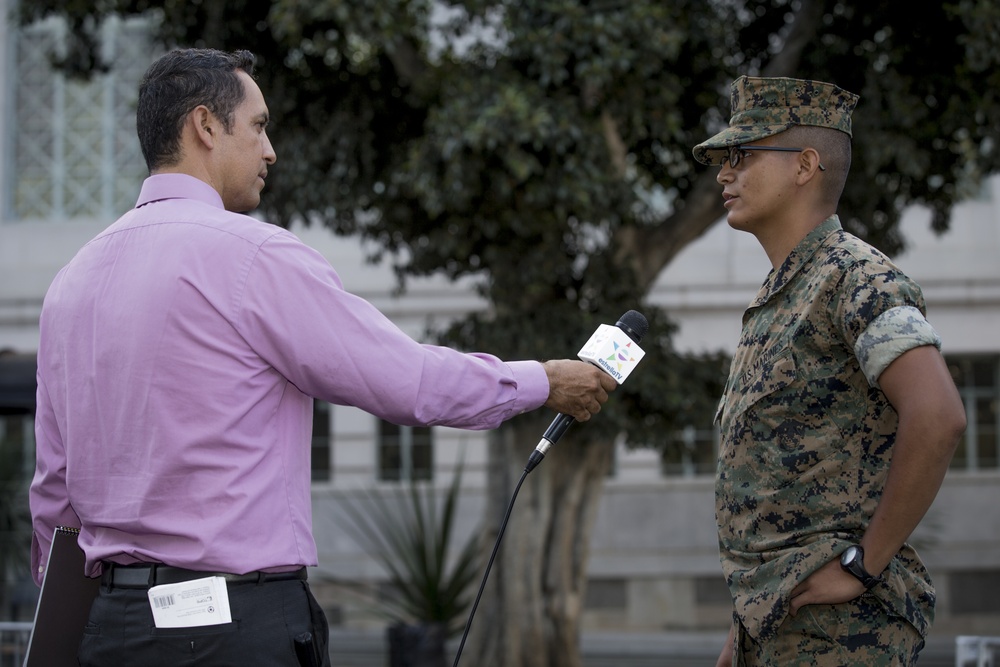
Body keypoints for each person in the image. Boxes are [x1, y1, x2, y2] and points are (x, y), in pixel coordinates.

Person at [29, 48, 618, 667]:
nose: (270, 150)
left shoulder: (70, 282)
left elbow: (52, 495)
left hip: (109, 630)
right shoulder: (253, 257)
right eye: (257, 126)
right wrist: (541, 381)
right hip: (234, 630)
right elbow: (406, 381)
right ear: (205, 126)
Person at [691, 76, 967, 666]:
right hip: (780, 625)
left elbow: (938, 415)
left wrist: (865, 565)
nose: (724, 173)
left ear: (805, 165)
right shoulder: (781, 295)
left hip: (839, 630)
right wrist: (743, 633)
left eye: (742, 155)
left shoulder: (854, 276)